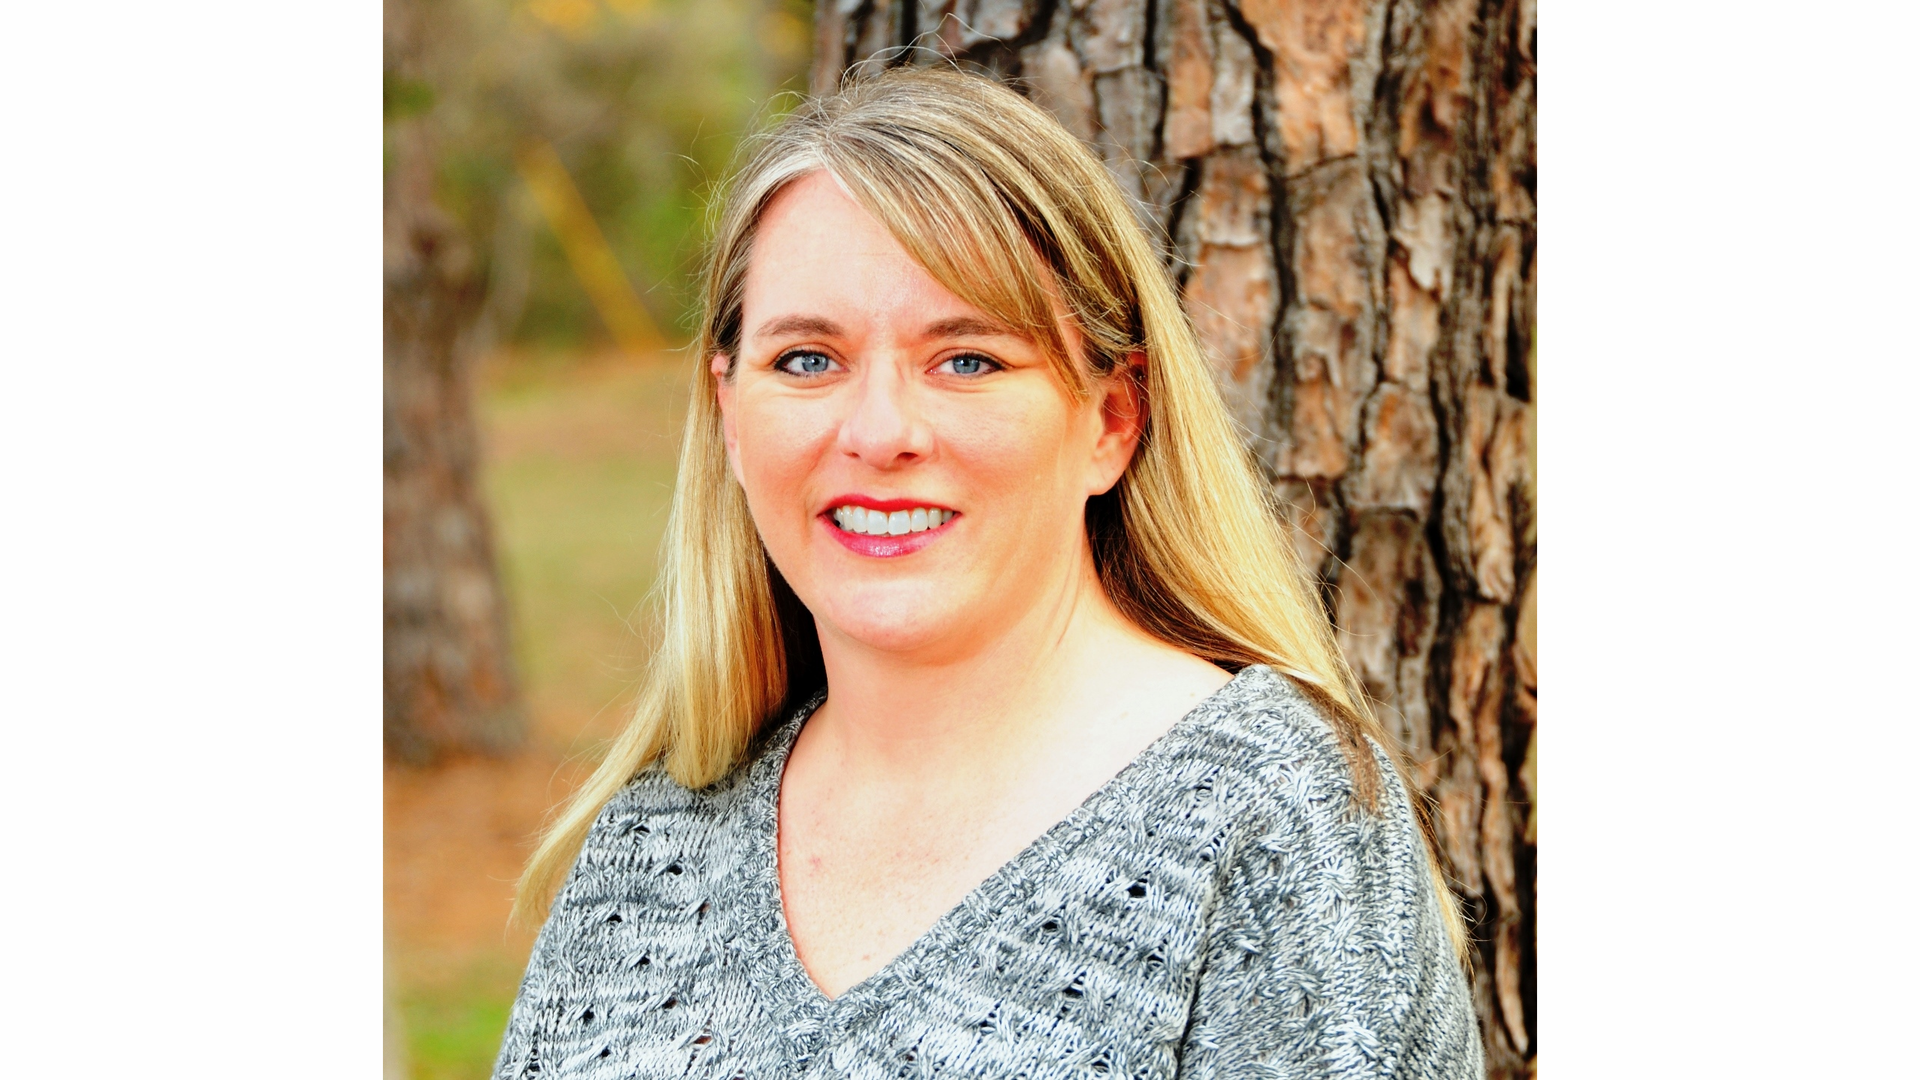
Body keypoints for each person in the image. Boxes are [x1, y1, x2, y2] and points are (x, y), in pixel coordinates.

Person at [493, 66, 1484, 1079]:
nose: (880, 432)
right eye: (807, 360)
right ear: (731, 418)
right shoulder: (654, 843)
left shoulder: (1270, 818)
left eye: (967, 359)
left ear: (1111, 421)